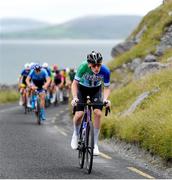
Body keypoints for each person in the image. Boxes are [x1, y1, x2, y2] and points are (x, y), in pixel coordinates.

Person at [70, 51, 111, 155]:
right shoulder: (83, 67)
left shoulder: (105, 71)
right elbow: (74, 84)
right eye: (94, 65)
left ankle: (95, 144)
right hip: (82, 90)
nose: (96, 68)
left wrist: (105, 99)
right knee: (79, 114)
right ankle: (75, 133)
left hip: (95, 90)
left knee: (97, 113)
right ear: (89, 64)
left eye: (98, 65)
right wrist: (75, 98)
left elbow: (106, 87)